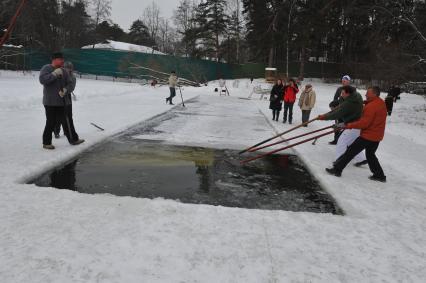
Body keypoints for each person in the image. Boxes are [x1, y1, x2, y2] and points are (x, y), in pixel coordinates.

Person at [325, 86, 387, 182]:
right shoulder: (380, 103)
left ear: (374, 94)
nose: (366, 94)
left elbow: (364, 123)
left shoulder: (371, 107)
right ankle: (379, 175)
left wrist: (348, 125)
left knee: (350, 151)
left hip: (368, 135)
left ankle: (337, 169)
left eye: (368, 93)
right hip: (377, 135)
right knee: (370, 155)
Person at [39, 53, 84, 149]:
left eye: (62, 59)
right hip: (50, 101)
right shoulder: (46, 68)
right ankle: (46, 143)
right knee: (51, 122)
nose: (62, 61)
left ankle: (74, 139)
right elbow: (43, 80)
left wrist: (65, 90)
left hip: (62, 102)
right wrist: (54, 74)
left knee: (67, 121)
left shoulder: (64, 71)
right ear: (54, 60)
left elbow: (70, 83)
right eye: (60, 59)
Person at [317, 85, 367, 167]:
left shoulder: (349, 103)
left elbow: (337, 113)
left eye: (343, 93)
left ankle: (339, 161)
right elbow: (340, 108)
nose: (341, 95)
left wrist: (324, 117)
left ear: (348, 93)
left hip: (354, 124)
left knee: (341, 141)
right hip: (355, 123)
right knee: (351, 143)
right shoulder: (355, 96)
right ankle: (362, 159)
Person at [53, 61, 84, 147]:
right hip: (57, 98)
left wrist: (66, 90)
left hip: (67, 98)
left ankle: (70, 134)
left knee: (68, 117)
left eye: (70, 68)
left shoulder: (73, 77)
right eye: (66, 68)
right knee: (58, 116)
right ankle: (56, 131)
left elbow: (71, 87)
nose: (68, 70)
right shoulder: (59, 74)